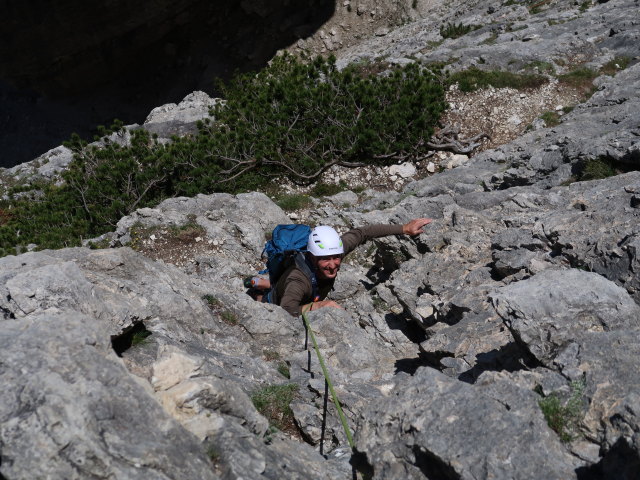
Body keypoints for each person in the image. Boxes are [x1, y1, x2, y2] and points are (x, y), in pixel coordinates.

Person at [265, 218, 432, 316]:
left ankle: (265, 283)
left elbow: (362, 233)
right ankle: (258, 287)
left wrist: (404, 228)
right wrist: (319, 306)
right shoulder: (298, 280)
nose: (332, 265)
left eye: (336, 257)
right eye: (325, 260)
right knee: (270, 296)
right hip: (274, 303)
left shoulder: (334, 250)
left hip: (303, 293)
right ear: (312, 257)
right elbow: (286, 309)